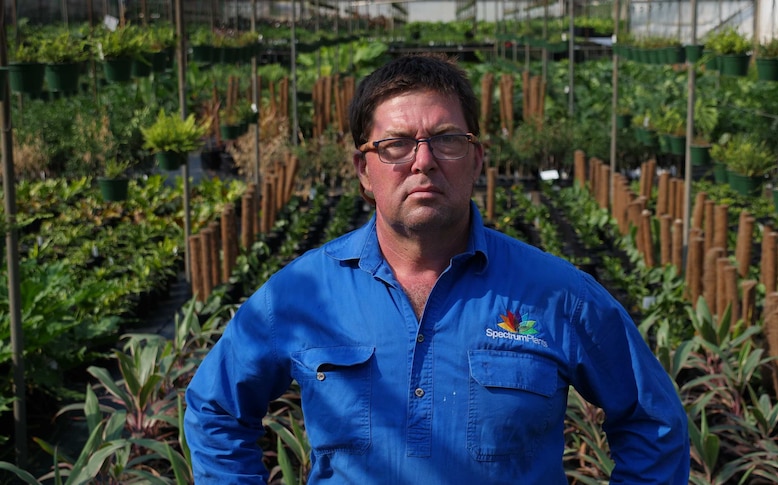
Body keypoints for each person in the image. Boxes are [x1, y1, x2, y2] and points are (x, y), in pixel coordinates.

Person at [184, 53, 690, 484]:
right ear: (364, 169)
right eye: (396, 145)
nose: (422, 161)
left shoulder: (557, 295)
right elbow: (215, 409)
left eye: (446, 139)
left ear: (476, 160)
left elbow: (654, 423)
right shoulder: (302, 294)